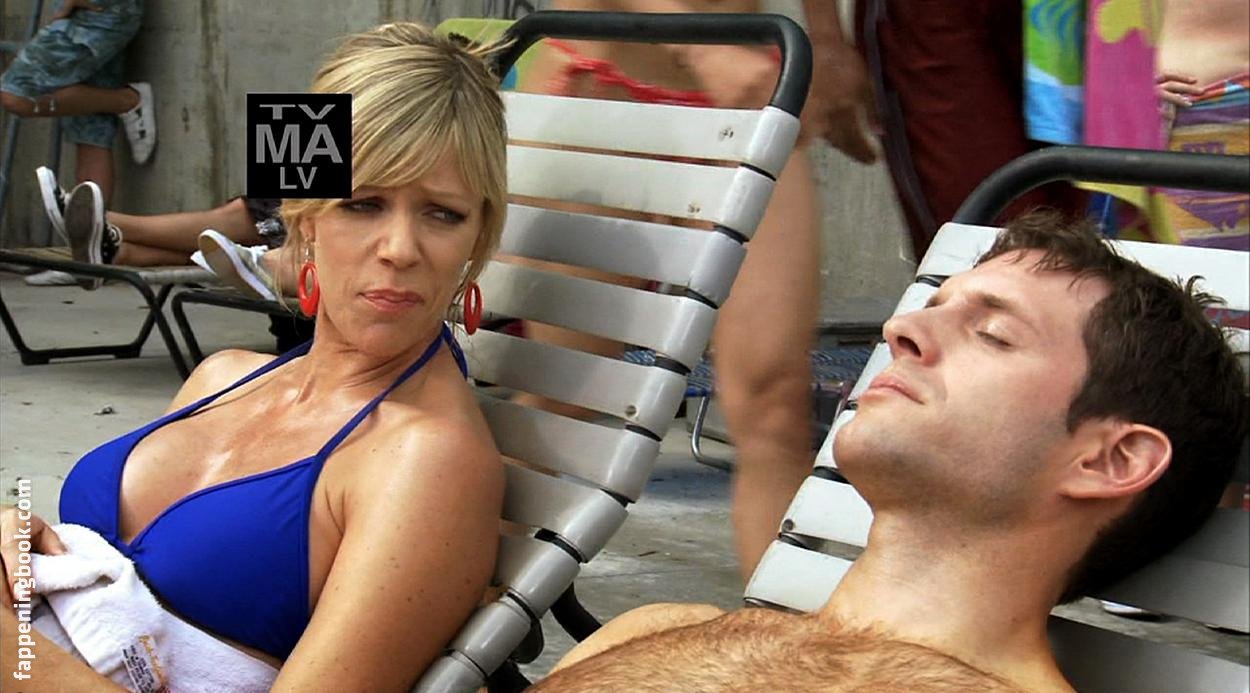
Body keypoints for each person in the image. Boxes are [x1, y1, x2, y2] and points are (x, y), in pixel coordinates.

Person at [528, 212, 1248, 692]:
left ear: (1109, 461)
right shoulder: (654, 630)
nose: (899, 330)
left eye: (994, 334)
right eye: (931, 306)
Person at [0, 22, 508, 691]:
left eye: (442, 214)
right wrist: (21, 539)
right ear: (307, 220)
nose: (399, 249)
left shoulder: (426, 459)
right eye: (363, 204)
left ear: (478, 234)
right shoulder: (224, 374)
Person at [515, 0, 822, 580]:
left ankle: (783, 627)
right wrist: (698, 45)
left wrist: (829, 40)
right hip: (605, 84)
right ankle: (460, 612)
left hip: (750, 89)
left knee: (776, 406)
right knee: (564, 394)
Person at [0, 0, 157, 204]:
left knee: (16, 94)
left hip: (96, 14)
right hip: (96, 13)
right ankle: (94, 223)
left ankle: (126, 101)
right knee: (89, 129)